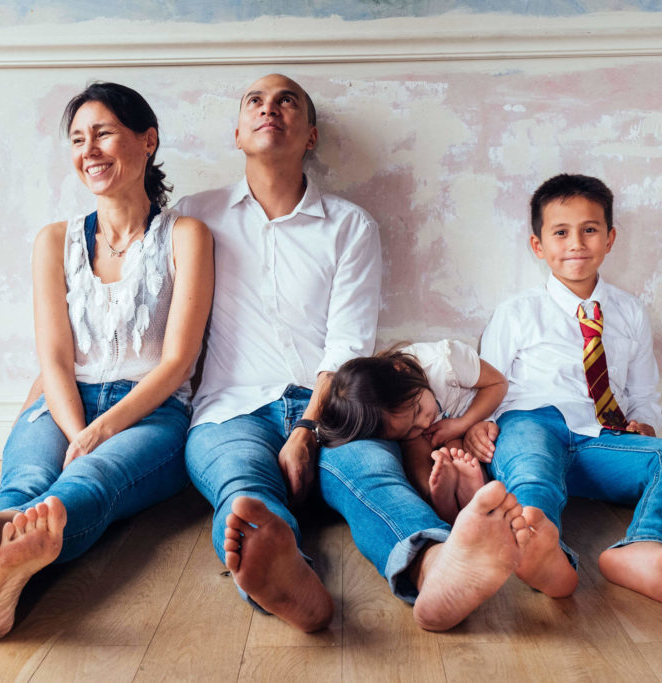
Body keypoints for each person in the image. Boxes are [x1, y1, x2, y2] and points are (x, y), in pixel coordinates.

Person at [177, 73, 528, 635]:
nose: (271, 109)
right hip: (229, 408)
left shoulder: (349, 226)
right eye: (256, 102)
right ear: (237, 132)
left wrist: (309, 430)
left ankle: (434, 565)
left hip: (336, 409)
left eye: (287, 100)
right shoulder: (194, 217)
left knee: (371, 475)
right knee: (243, 489)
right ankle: (287, 582)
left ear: (310, 135)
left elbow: (346, 347)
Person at [0, 82, 214, 641]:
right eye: (78, 139)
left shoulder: (186, 235)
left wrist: (102, 430)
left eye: (104, 133)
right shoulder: (53, 240)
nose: (90, 150)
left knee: (91, 478)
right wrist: (77, 427)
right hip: (61, 402)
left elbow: (179, 361)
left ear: (147, 140)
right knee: (30, 478)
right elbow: (55, 358)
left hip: (151, 415)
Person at [464, 173, 662, 606]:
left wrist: (646, 425)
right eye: (561, 232)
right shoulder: (518, 312)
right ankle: (545, 552)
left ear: (609, 238)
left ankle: (645, 547)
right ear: (538, 246)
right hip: (531, 423)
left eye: (590, 229)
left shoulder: (630, 311)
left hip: (601, 438)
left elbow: (644, 392)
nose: (576, 242)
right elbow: (487, 382)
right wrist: (479, 425)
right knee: (533, 472)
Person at [317, 340, 507, 523]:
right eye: (408, 429)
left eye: (417, 410)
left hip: (468, 416)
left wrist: (462, 424)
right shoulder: (402, 421)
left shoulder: (445, 362)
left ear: (402, 369)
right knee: (415, 447)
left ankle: (470, 495)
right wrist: (413, 436)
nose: (423, 423)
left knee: (459, 453)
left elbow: (498, 383)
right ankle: (437, 497)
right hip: (438, 435)